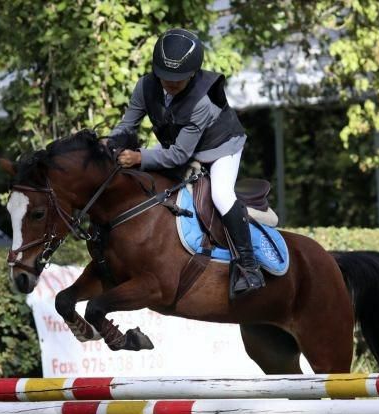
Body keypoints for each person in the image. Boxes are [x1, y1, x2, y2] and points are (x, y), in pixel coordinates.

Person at [109, 28, 264, 299]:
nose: (169, 83)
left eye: (177, 80)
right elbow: (127, 125)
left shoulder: (202, 102)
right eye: (165, 77)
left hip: (220, 147)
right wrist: (108, 146)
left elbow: (179, 156)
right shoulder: (145, 86)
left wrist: (139, 157)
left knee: (221, 194)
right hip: (180, 146)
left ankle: (248, 267)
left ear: (193, 73)